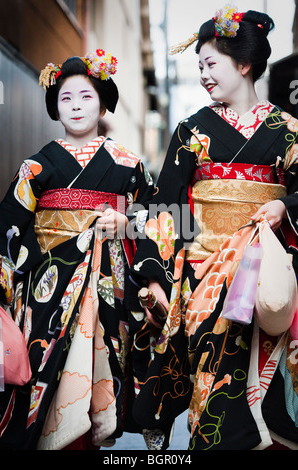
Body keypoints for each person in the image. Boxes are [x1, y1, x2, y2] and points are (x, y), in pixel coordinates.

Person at [129, 5, 298, 450]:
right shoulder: (191, 130)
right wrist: (155, 275)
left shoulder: (288, 131)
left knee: (271, 381)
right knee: (213, 384)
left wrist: (286, 208)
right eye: (198, 65)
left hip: (267, 274)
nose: (203, 74)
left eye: (211, 63)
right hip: (203, 275)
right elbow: (167, 207)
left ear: (244, 64)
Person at [0, 49, 155, 450]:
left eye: (86, 96)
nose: (76, 106)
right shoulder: (37, 165)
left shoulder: (127, 163)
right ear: (55, 107)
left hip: (106, 290)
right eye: (66, 98)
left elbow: (159, 217)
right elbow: (8, 227)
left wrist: (126, 223)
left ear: (103, 102)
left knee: (96, 384)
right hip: (47, 291)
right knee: (48, 384)